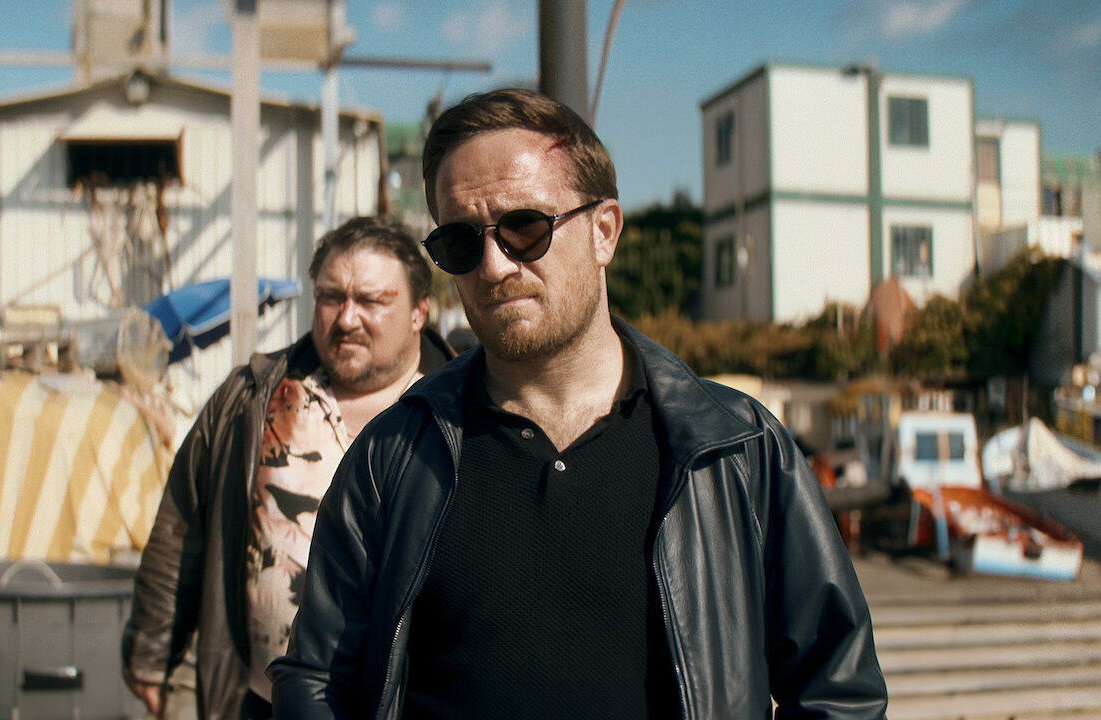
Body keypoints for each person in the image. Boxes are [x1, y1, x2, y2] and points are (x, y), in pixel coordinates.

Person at [270, 89, 887, 718]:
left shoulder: (735, 450)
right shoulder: (393, 456)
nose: (494, 265)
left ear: (604, 231)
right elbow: (316, 679)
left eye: (524, 228)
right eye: (461, 242)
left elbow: (840, 690)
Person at [122, 216, 455, 720]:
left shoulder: (456, 419)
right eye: (331, 297)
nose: (347, 319)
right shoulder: (251, 399)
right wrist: (151, 651)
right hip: (261, 701)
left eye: (371, 301)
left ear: (418, 313)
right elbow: (182, 525)